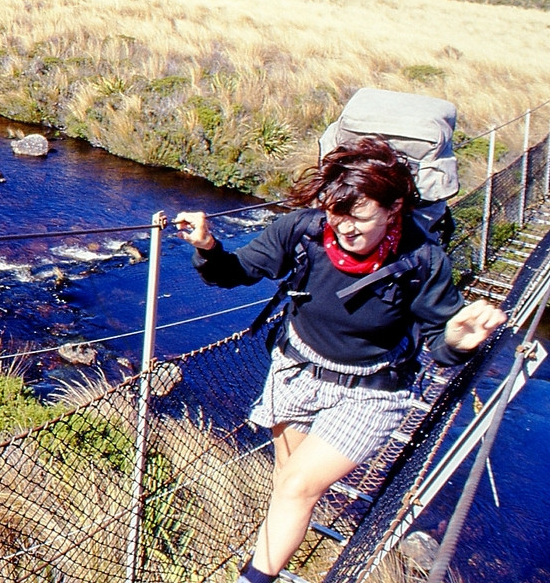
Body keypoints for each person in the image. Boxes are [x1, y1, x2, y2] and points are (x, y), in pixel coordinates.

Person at [166, 135, 506, 583]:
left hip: (373, 392)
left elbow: (439, 350)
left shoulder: (423, 260)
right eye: (335, 212)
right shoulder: (303, 231)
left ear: (394, 208)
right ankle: (278, 556)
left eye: (359, 217)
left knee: (295, 486)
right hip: (296, 372)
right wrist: (208, 246)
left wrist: (460, 341)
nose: (343, 228)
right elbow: (237, 273)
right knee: (288, 481)